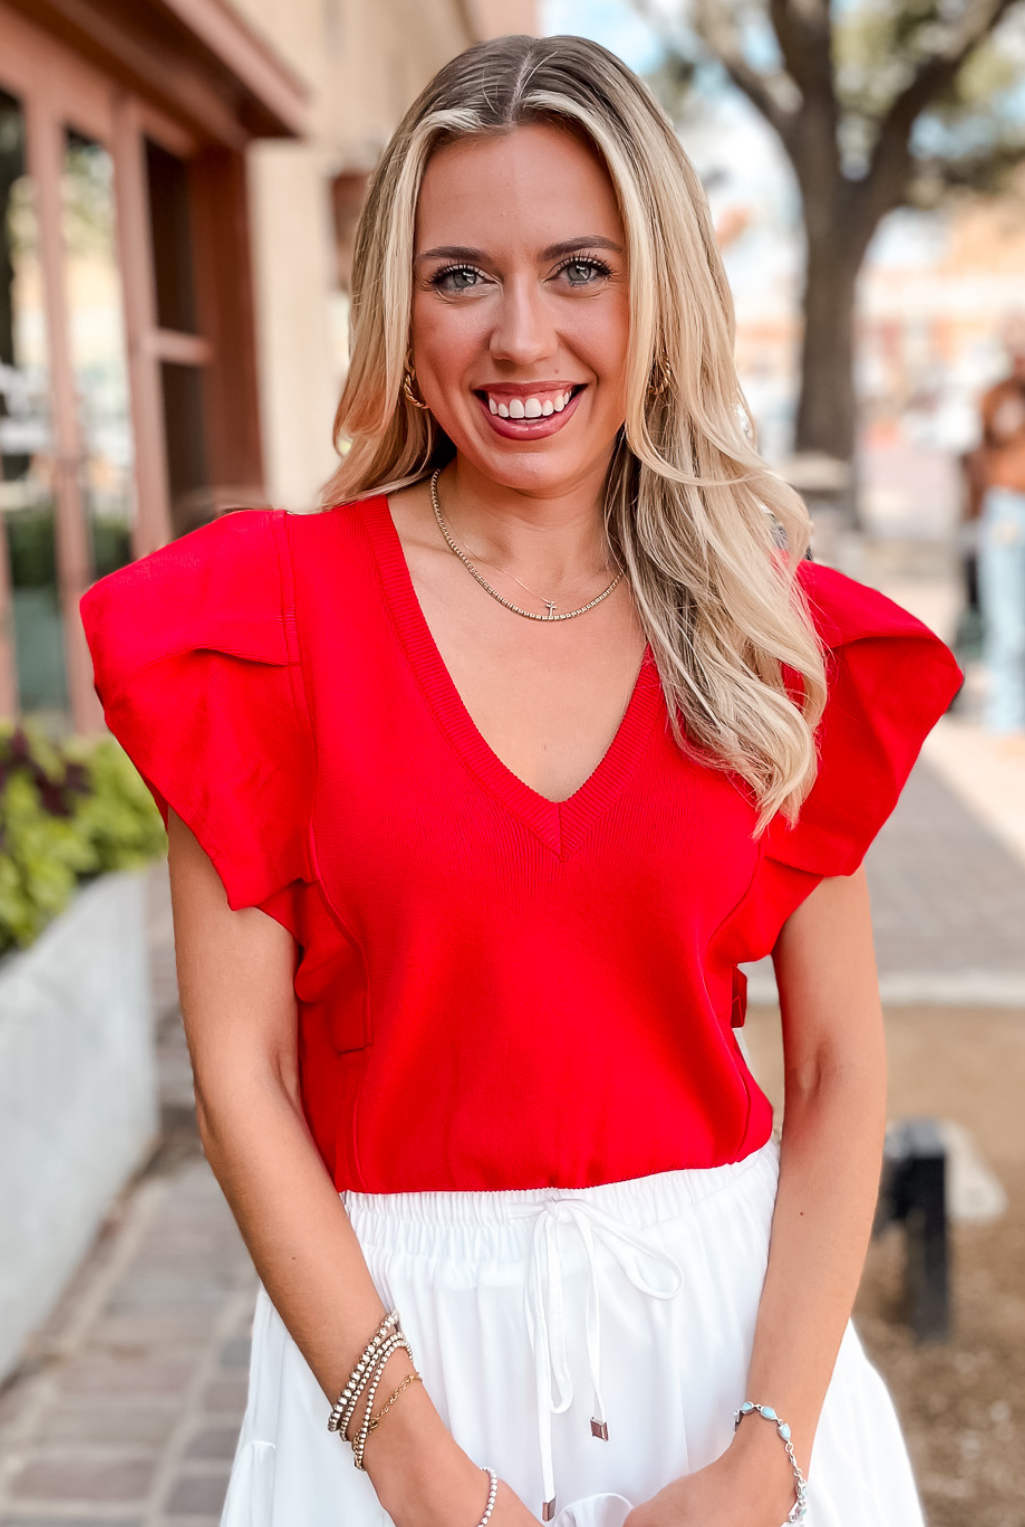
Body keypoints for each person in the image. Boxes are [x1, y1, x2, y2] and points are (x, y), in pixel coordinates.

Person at [80, 35, 963, 1527]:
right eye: (460, 276)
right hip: (390, 1371)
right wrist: (414, 1459)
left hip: (728, 1358)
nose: (520, 337)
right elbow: (242, 1081)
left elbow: (832, 1072)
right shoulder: (261, 620)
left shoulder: (762, 629)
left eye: (579, 269)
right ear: (398, 306)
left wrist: (765, 1453)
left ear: (655, 290)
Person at [977, 317, 1025, 737]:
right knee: (1008, 622)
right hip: (1009, 508)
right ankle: (1007, 719)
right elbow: (979, 458)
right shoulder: (997, 397)